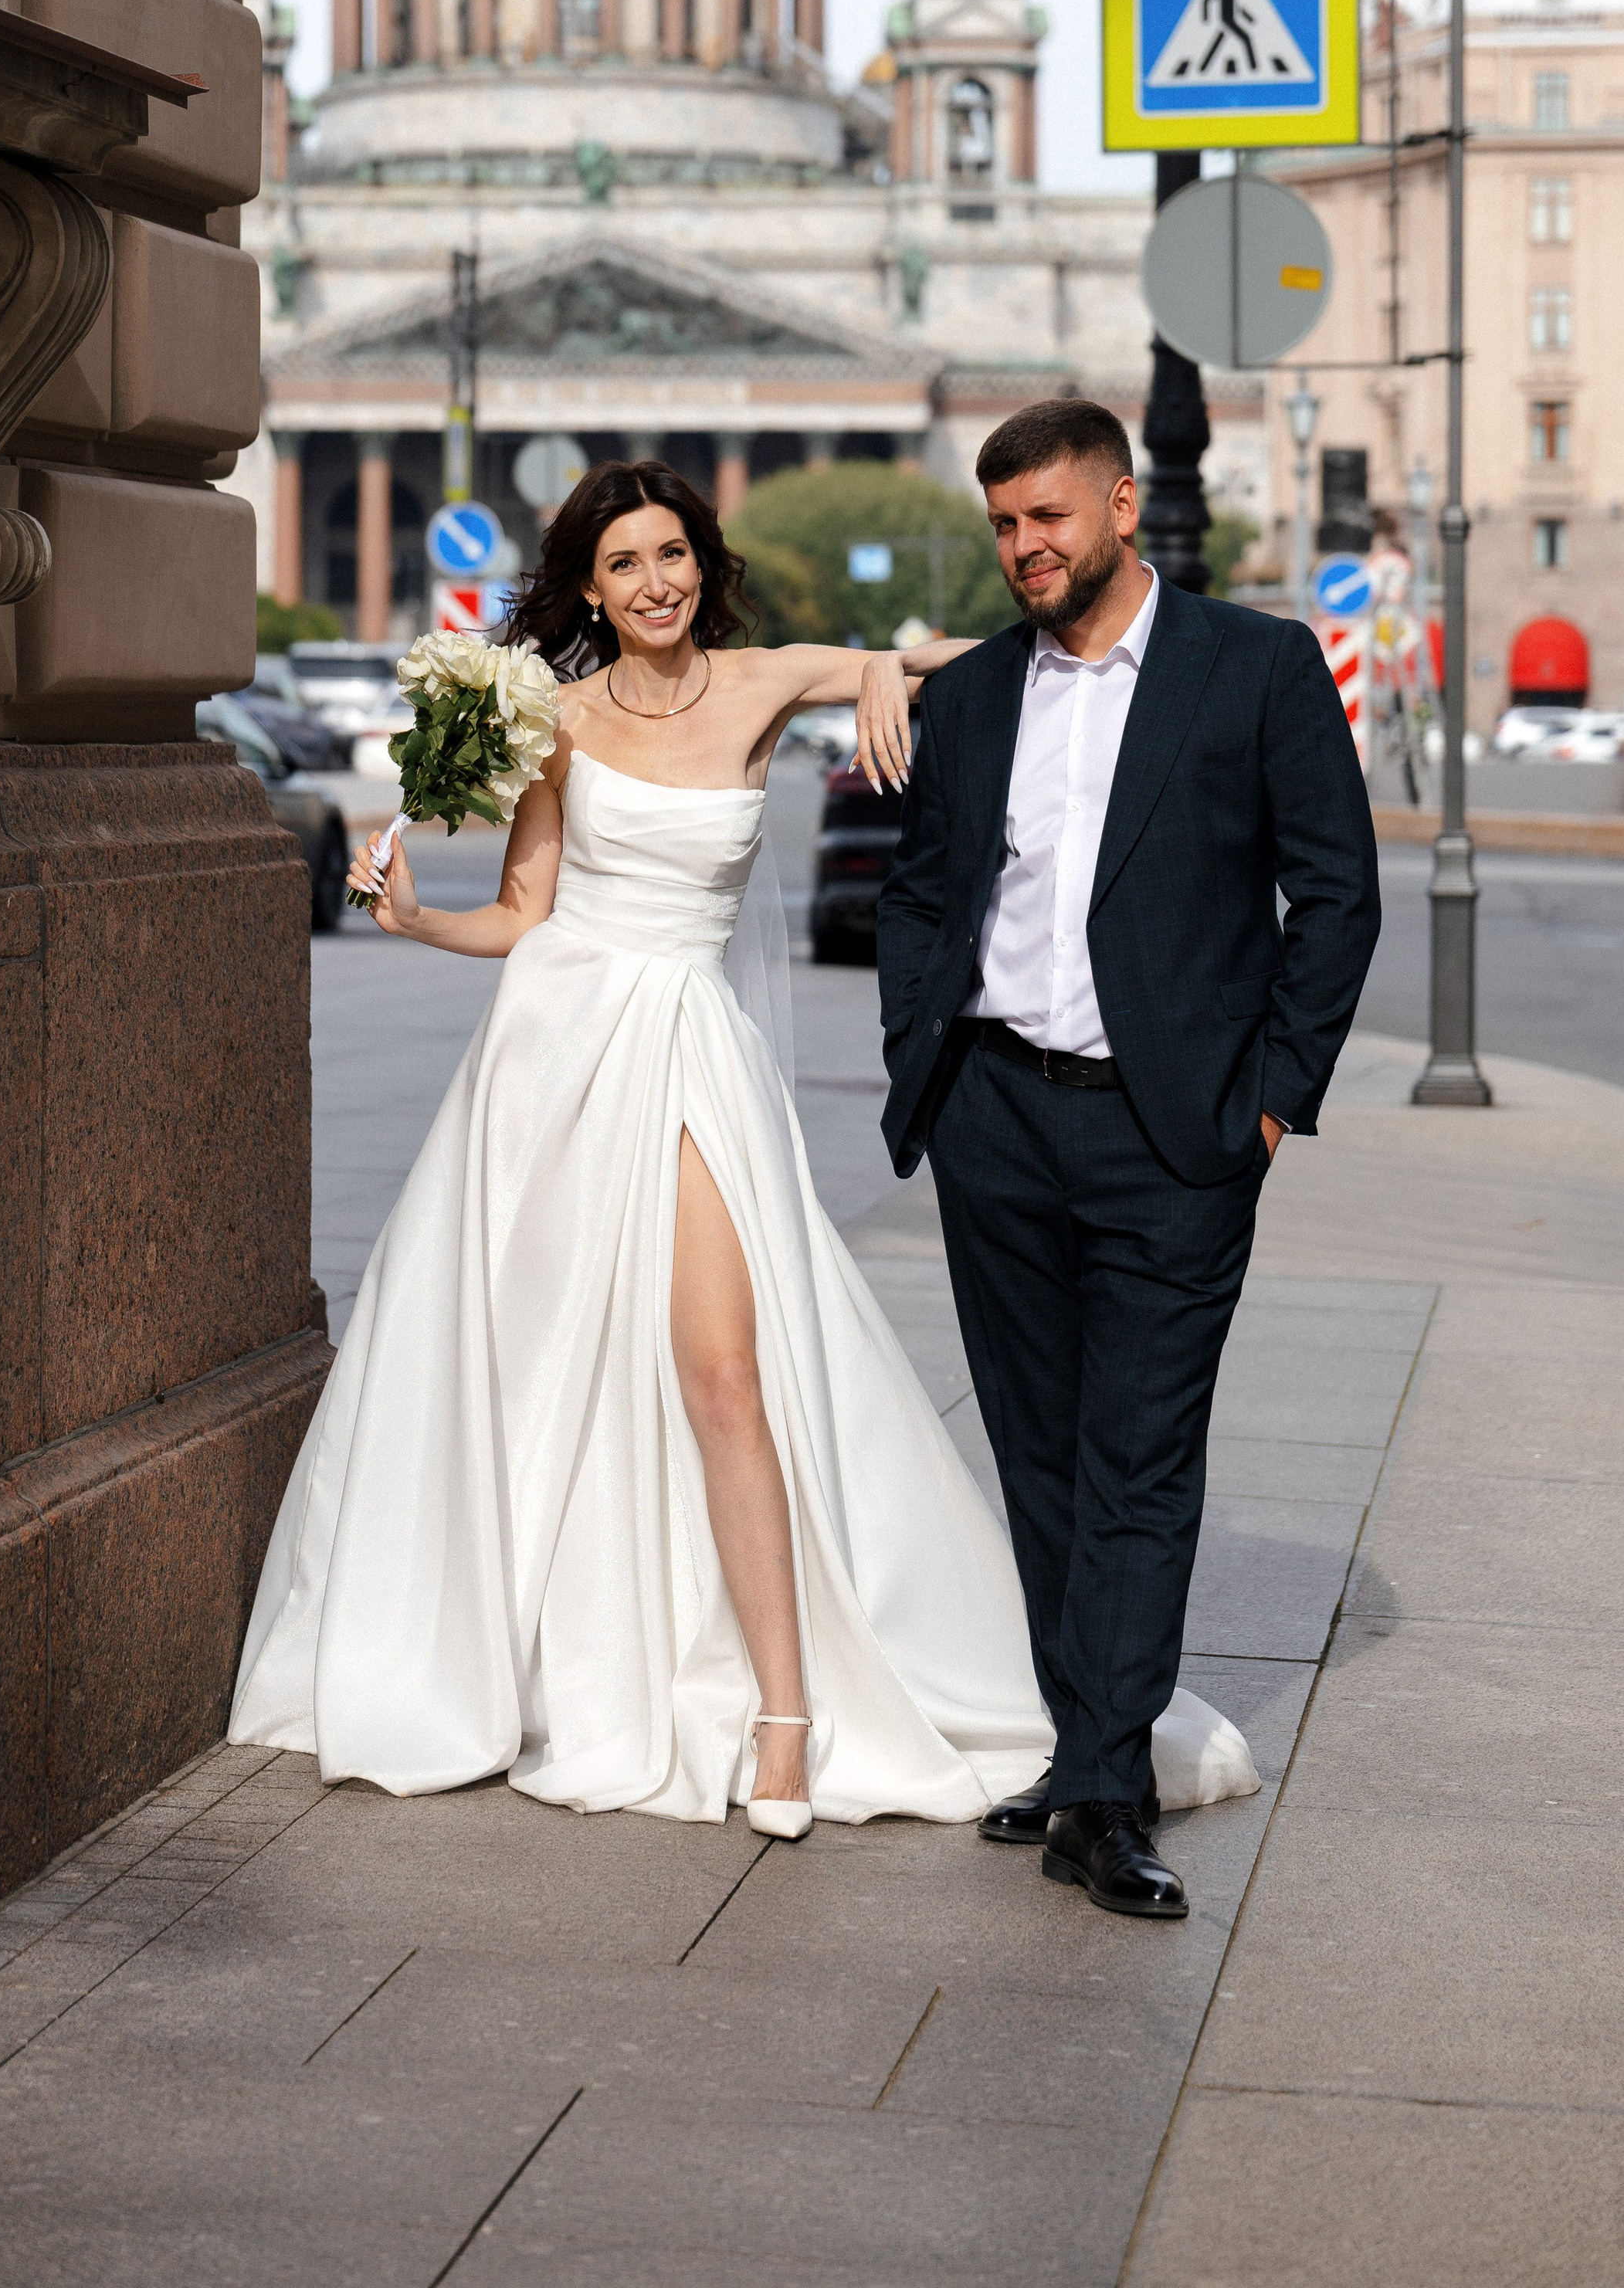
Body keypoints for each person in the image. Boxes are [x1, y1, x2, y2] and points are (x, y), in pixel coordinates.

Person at [229, 459, 1256, 1838]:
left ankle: (785, 1712)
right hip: (554, 1060)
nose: (653, 583)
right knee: (546, 1372)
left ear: (700, 562)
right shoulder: (559, 717)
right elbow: (531, 909)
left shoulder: (765, 681)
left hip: (689, 1052)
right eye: (622, 566)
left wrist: (894, 668)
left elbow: (966, 656)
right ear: (589, 592)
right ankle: (557, 1655)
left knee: (725, 1373)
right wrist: (416, 920)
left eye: (671, 555)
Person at [877, 399, 1381, 1918]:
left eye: (1046, 517)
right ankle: (1080, 1742)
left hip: (1175, 1134)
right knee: (1036, 1454)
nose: (1024, 548)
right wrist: (932, 1064)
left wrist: (1272, 1104)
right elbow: (921, 894)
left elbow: (1334, 895)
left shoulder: (1256, 668)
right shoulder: (967, 699)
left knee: (1138, 1454)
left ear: (1116, 505)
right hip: (998, 1121)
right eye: (1001, 527)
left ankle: (1103, 1790)